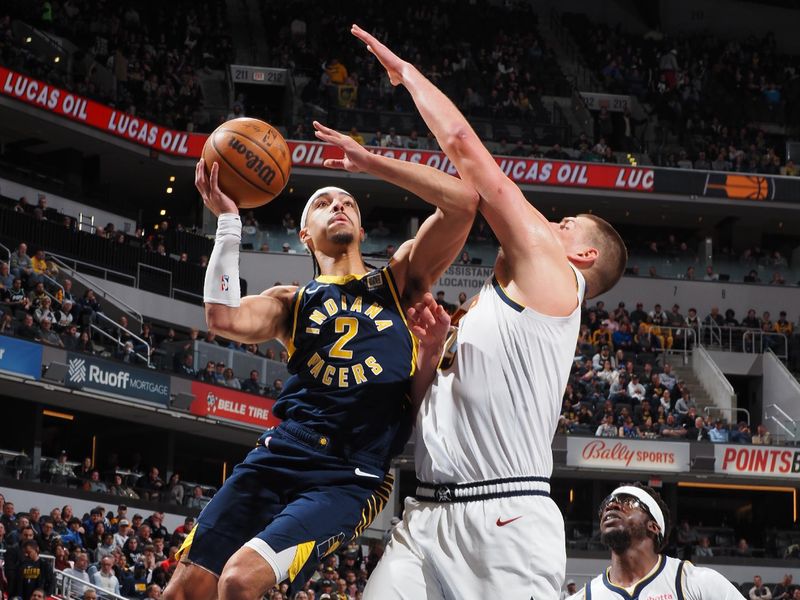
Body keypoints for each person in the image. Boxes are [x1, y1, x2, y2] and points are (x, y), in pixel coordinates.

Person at [350, 25, 627, 600]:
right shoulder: (490, 309)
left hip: (505, 520)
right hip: (423, 515)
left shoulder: (556, 278)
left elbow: (463, 147)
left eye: (563, 224)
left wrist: (406, 75)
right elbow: (435, 411)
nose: (547, 223)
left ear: (583, 253)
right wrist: (430, 356)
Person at [165, 116, 479, 600]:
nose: (339, 205)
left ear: (360, 225)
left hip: (349, 473)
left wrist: (371, 162)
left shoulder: (400, 279)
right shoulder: (291, 301)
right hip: (281, 451)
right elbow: (222, 319)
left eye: (349, 202)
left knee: (239, 580)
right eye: (324, 202)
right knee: (185, 591)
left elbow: (462, 203)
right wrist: (229, 222)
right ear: (304, 235)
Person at [567, 483, 742, 599]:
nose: (611, 506)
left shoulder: (697, 583)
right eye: (607, 503)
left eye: (628, 502)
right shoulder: (585, 596)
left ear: (653, 526)